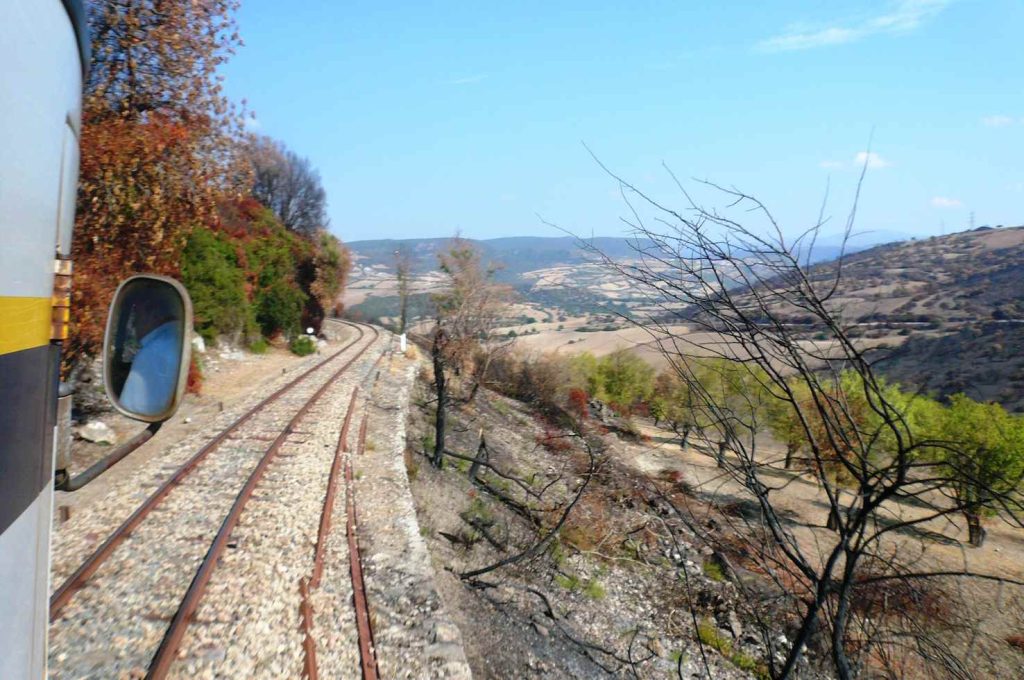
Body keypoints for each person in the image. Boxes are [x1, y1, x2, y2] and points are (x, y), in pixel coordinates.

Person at [118, 290, 182, 416]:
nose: (134, 323)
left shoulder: (151, 353)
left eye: (137, 315)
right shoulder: (177, 337)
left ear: (152, 314)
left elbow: (130, 411)